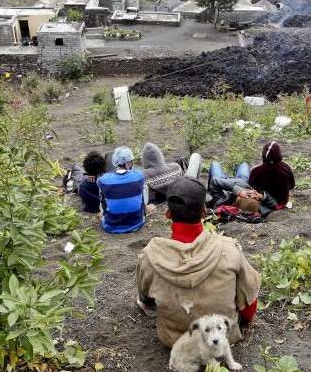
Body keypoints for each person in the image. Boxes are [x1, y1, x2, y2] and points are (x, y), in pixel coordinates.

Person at [135, 176, 260, 347]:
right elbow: (249, 307)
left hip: (174, 341)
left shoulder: (150, 255)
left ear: (168, 214)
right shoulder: (228, 249)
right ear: (203, 213)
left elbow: (147, 301)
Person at [97, 146, 146, 234]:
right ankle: (142, 212)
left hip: (111, 226)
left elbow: (102, 199)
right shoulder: (139, 176)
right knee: (143, 188)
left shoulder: (103, 180)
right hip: (137, 223)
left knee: (104, 194)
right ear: (129, 162)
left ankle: (107, 215)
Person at [206, 161, 277, 216]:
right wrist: (261, 196)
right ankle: (234, 166)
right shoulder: (259, 208)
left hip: (221, 180)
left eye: (248, 195)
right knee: (244, 164)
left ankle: (208, 192)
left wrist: (238, 191)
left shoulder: (221, 202)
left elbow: (214, 181)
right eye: (253, 197)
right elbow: (274, 205)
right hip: (243, 180)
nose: (251, 194)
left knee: (214, 164)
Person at [248, 141, 295, 208]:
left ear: (263, 155)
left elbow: (251, 185)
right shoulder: (286, 168)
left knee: (243, 166)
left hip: (262, 201)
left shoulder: (256, 171)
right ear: (279, 155)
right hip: (281, 203)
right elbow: (291, 186)